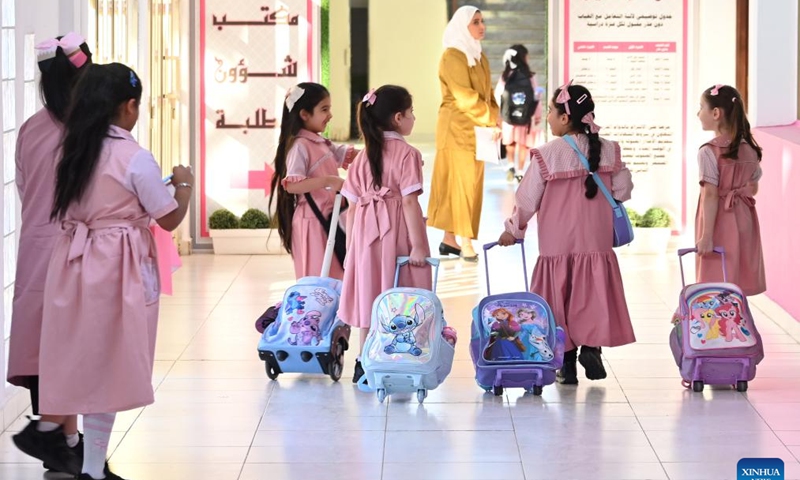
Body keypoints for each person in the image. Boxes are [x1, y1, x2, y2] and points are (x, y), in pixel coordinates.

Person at [37, 63, 193, 480]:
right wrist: (183, 184)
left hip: (73, 261)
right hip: (117, 264)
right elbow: (170, 218)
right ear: (128, 107)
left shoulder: (70, 149)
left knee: (83, 359)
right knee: (109, 362)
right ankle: (91, 468)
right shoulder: (133, 155)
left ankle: (87, 462)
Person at [497, 82, 636, 385]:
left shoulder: (547, 155)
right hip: (595, 241)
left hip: (556, 246)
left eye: (550, 110)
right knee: (592, 294)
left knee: (558, 297)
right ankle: (592, 348)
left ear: (564, 118)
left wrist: (513, 231)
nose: (547, 116)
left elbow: (526, 201)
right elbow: (623, 191)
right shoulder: (609, 150)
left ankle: (566, 363)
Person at [9, 32, 93, 476]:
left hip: (35, 246)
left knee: (44, 345)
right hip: (77, 249)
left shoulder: (29, 129)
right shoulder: (90, 131)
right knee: (75, 345)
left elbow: (25, 189)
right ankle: (53, 435)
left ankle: (65, 441)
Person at [337, 85, 431, 384]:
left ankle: (363, 361)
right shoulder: (408, 154)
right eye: (412, 112)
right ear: (399, 117)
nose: (414, 118)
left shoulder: (362, 158)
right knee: (400, 292)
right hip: (396, 233)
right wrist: (418, 246)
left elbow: (351, 208)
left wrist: (353, 246)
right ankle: (402, 357)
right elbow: (408, 201)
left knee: (370, 293)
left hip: (365, 237)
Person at [427, 5, 500, 262]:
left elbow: (488, 94)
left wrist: (496, 118)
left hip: (475, 128)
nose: (482, 26)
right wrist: (491, 117)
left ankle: (449, 239)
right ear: (462, 26)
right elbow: (464, 97)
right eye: (476, 22)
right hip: (456, 129)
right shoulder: (453, 56)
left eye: (482, 21)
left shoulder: (479, 56)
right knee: (462, 184)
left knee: (467, 183)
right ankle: (465, 241)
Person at [268, 82, 357, 280]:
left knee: (333, 276)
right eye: (324, 109)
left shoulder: (320, 142)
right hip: (312, 223)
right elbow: (292, 185)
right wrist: (328, 180)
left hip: (329, 219)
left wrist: (390, 154)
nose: (330, 115)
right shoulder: (300, 146)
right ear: (304, 114)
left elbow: (348, 155)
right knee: (317, 279)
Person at [695, 84, 765, 295]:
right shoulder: (750, 149)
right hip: (745, 219)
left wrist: (707, 236)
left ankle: (713, 324)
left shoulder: (709, 151)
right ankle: (733, 321)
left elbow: (710, 194)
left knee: (714, 279)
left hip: (719, 222)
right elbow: (753, 189)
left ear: (715, 113)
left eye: (701, 108)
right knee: (736, 280)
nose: (698, 114)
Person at [493, 44, 543, 182]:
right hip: (525, 116)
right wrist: (537, 115)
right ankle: (520, 172)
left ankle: (510, 166)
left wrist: (500, 113)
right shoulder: (530, 76)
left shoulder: (506, 75)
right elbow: (536, 96)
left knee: (510, 143)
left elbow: (497, 94)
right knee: (523, 144)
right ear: (523, 58)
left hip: (508, 116)